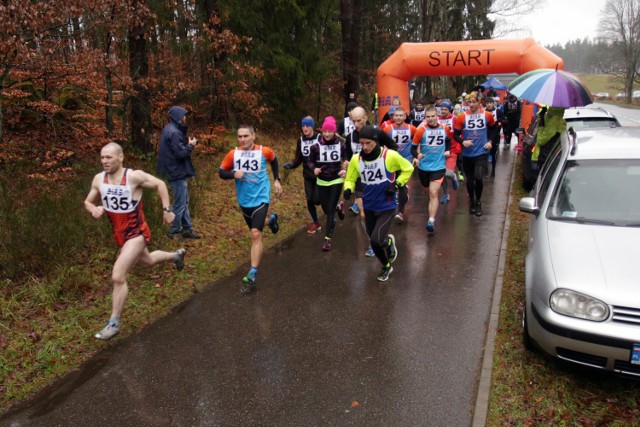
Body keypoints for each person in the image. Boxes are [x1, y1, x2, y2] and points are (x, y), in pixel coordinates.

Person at [84, 142, 186, 340]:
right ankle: (176, 255)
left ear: (120, 157)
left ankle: (113, 323)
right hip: (120, 235)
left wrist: (166, 210)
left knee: (118, 275)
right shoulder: (99, 179)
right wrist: (92, 209)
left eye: (109, 157)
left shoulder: (132, 176)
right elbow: (88, 201)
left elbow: (160, 184)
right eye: (102, 157)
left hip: (137, 233)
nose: (104, 161)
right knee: (146, 261)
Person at [343, 125, 414, 281]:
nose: (365, 147)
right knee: (375, 239)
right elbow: (350, 178)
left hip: (387, 206)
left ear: (376, 141)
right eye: (362, 143)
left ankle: (386, 266)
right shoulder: (357, 159)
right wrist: (347, 189)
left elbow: (408, 168)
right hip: (369, 206)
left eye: (368, 143)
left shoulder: (389, 156)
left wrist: (396, 184)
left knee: (375, 242)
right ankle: (388, 242)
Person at [219, 125, 283, 293]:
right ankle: (272, 220)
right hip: (244, 200)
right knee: (258, 226)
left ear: (254, 136)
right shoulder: (233, 154)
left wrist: (276, 179)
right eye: (239, 136)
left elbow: (274, 160)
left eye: (246, 136)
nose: (242, 139)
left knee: (255, 233)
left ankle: (253, 272)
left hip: (261, 197)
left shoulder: (264, 151)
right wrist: (233, 174)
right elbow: (220, 172)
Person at [344, 106, 398, 256]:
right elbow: (348, 156)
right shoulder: (350, 137)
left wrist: (391, 170)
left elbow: (394, 146)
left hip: (379, 179)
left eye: (359, 121)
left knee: (379, 212)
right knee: (363, 214)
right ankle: (373, 243)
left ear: (366, 118)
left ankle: (382, 240)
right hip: (361, 179)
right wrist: (347, 165)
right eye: (353, 121)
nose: (356, 124)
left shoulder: (377, 132)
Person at [157, 105, 200, 239]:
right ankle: (174, 231)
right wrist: (191, 145)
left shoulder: (169, 129)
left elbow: (175, 148)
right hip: (176, 171)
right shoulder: (174, 132)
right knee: (180, 203)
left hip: (174, 170)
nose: (185, 117)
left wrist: (186, 142)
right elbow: (180, 153)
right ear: (178, 117)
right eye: (184, 115)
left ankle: (187, 229)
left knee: (184, 201)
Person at [453, 91, 496, 216]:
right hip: (467, 154)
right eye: (469, 102)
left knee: (479, 177)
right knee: (470, 180)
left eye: (474, 102)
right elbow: (455, 134)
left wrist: (490, 141)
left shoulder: (487, 115)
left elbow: (494, 129)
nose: (471, 104)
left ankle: (478, 201)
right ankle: (472, 200)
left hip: (481, 152)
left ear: (479, 102)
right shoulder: (462, 116)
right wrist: (463, 141)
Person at [308, 116, 347, 251]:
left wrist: (345, 167)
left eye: (329, 131)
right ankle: (338, 207)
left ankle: (327, 240)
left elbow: (346, 157)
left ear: (334, 132)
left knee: (329, 211)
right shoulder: (316, 146)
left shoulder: (341, 144)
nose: (327, 134)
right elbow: (310, 161)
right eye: (325, 131)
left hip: (336, 179)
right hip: (322, 180)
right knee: (326, 209)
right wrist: (315, 169)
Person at [412, 106, 451, 232]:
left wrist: (447, 150)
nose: (430, 119)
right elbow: (413, 148)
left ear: (437, 116)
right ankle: (452, 177)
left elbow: (449, 140)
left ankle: (431, 221)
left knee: (434, 193)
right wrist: (417, 155)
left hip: (438, 166)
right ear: (425, 118)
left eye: (432, 116)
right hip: (423, 167)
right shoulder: (421, 131)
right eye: (428, 117)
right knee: (428, 192)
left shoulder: (445, 128)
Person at [283, 117, 322, 234]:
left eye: (307, 126)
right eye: (303, 126)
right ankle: (316, 223)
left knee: (317, 200)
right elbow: (298, 158)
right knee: (310, 200)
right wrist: (291, 164)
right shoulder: (300, 140)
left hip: (320, 174)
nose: (305, 128)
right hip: (308, 175)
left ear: (312, 127)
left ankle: (334, 205)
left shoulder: (320, 138)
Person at [382, 106, 417, 222]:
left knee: (401, 184)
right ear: (392, 116)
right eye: (396, 115)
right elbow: (383, 143)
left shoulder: (411, 129)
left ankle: (400, 211)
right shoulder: (387, 129)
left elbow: (417, 141)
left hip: (406, 160)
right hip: (392, 160)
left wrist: (417, 155)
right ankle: (395, 203)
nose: (398, 117)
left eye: (400, 115)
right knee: (392, 183)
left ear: (405, 116)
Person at [438, 102, 460, 204]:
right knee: (440, 175)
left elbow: (459, 133)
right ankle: (446, 194)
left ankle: (453, 176)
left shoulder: (454, 119)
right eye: (442, 109)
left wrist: (459, 146)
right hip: (439, 151)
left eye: (445, 109)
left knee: (447, 172)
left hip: (452, 150)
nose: (443, 111)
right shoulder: (437, 119)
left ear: (449, 110)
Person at [484, 97, 505, 178]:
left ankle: (493, 170)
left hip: (495, 135)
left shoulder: (497, 111)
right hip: (485, 135)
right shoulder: (483, 112)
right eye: (487, 103)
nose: (489, 105)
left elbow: (505, 120)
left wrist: (500, 121)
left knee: (493, 154)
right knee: (485, 153)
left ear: (493, 103)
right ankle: (485, 170)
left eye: (490, 103)